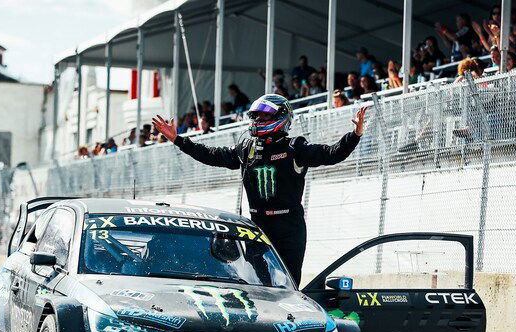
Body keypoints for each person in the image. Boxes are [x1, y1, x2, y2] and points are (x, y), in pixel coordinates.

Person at [152, 95, 367, 284]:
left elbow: (331, 154)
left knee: (290, 284)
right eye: (255, 116)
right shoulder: (247, 147)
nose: (257, 120)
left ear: (282, 117)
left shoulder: (295, 147)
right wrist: (178, 140)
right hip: (258, 225)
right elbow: (211, 154)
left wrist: (354, 135)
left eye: (263, 116)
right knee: (257, 282)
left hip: (289, 227)